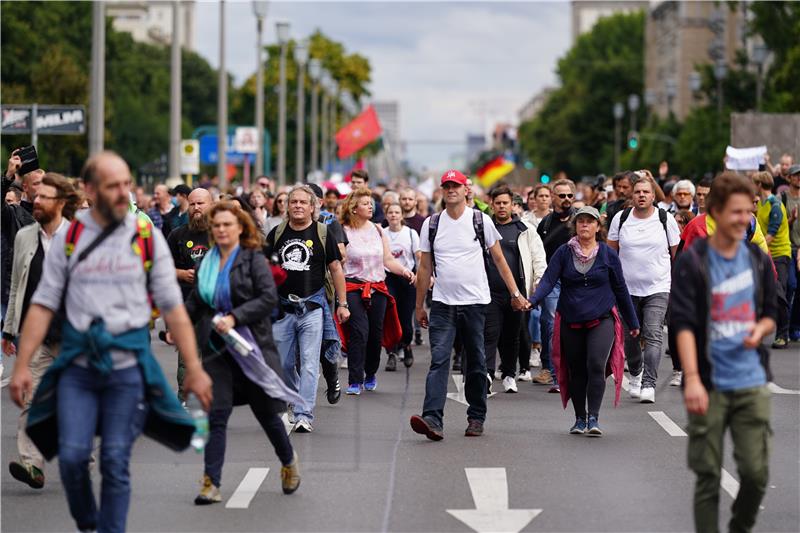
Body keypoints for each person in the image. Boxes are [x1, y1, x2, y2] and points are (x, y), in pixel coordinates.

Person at [8, 151, 213, 532]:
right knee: (71, 459)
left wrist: (195, 369)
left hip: (126, 367)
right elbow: (43, 303)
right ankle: (88, 523)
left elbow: (172, 306)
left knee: (115, 460)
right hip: (78, 365)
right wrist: (22, 365)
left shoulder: (145, 234)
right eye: (112, 185)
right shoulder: (70, 237)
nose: (122, 192)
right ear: (88, 190)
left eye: (125, 184)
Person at [670, 172, 776, 533]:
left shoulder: (757, 260)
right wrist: (693, 378)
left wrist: (759, 330)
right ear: (715, 211)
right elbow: (682, 323)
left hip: (751, 380)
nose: (743, 219)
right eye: (735, 212)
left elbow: (770, 314)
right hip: (709, 383)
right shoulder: (694, 260)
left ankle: (739, 528)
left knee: (756, 473)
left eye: (749, 212)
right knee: (708, 475)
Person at [187, 201, 303, 503]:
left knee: (266, 415)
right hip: (218, 351)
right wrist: (177, 326)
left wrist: (235, 317)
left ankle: (288, 461)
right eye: (217, 225)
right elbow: (197, 301)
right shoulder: (206, 263)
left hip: (252, 349)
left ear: (240, 228)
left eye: (227, 224)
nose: (222, 229)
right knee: (216, 415)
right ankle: (211, 483)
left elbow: (267, 299)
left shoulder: (253, 260)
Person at [409, 170, 529, 441]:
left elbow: (499, 259)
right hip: (442, 304)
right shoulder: (432, 223)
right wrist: (419, 306)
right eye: (447, 186)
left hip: (476, 304)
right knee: (439, 360)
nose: (451, 190)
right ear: (442, 191)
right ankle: (432, 419)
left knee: (476, 362)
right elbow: (425, 266)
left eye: (456, 186)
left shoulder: (480, 220)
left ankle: (476, 417)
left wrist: (515, 293)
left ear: (466, 191)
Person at [530, 206, 640, 436]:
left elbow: (621, 289)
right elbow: (549, 281)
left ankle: (594, 418)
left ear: (598, 227)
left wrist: (633, 323)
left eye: (590, 221)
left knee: (595, 364)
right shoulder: (563, 252)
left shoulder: (608, 255)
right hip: (571, 318)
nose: (585, 225)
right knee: (576, 369)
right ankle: (580, 418)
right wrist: (532, 301)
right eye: (581, 221)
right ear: (575, 225)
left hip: (602, 319)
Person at [3, 173, 79, 489]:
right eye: (36, 196)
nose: (36, 201)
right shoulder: (25, 237)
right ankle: (32, 464)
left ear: (61, 203)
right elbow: (18, 285)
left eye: (44, 197)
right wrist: (9, 330)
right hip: (36, 334)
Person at [266, 185, 349, 433]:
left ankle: (304, 414)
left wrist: (342, 304)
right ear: (287, 206)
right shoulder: (276, 234)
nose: (298, 206)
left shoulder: (323, 233)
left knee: (310, 363)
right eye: (294, 202)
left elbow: (336, 269)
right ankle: (297, 395)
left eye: (303, 202)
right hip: (282, 309)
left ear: (313, 207)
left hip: (312, 308)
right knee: (283, 363)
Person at [608, 174, 680, 403]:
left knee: (653, 333)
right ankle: (636, 373)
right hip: (627, 289)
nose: (641, 195)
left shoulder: (664, 219)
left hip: (658, 286)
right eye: (637, 192)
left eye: (646, 192)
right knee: (631, 336)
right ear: (631, 194)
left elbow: (675, 252)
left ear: (653, 196)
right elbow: (611, 254)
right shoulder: (621, 218)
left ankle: (649, 383)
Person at [339, 188, 413, 394]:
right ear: (354, 209)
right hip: (353, 286)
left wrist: (405, 271)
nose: (370, 206)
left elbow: (388, 260)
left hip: (378, 286)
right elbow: (337, 262)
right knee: (359, 332)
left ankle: (370, 372)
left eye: (371, 203)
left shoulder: (379, 230)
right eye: (365, 203)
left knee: (374, 334)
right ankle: (354, 380)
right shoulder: (343, 231)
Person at [484, 186, 546, 392]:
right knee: (490, 333)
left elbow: (538, 257)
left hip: (516, 293)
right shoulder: (484, 227)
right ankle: (487, 374)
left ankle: (510, 374)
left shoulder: (525, 229)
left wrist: (539, 281)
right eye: (498, 203)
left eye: (505, 203)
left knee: (513, 335)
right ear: (492, 204)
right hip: (489, 291)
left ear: (513, 205)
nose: (502, 207)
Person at [167, 187, 213, 400]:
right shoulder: (178, 235)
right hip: (187, 305)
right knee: (188, 357)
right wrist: (181, 274)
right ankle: (184, 400)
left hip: (217, 306)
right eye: (192, 203)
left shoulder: (221, 232)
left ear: (211, 205)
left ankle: (213, 402)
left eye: (200, 203)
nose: (196, 208)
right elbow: (163, 269)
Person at [535, 179, 576, 392]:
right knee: (550, 323)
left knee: (574, 326)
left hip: (577, 280)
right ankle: (553, 372)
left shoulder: (581, 220)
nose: (566, 199)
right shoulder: (546, 224)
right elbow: (538, 253)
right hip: (552, 280)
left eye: (570, 195)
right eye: (562, 196)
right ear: (553, 197)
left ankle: (570, 370)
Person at [753, 171, 792, 349]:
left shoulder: (775, 204)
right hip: (764, 253)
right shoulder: (761, 203)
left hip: (779, 255)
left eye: (755, 184)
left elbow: (771, 234)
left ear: (760, 185)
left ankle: (783, 334)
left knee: (779, 295)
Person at [384, 203, 421, 370]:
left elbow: (419, 257)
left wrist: (421, 276)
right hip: (388, 278)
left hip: (407, 279)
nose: (393, 215)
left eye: (396, 212)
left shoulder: (411, 234)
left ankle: (406, 346)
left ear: (401, 216)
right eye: (390, 212)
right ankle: (391, 353)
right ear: (386, 215)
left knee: (406, 319)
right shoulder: (381, 233)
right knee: (390, 317)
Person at [782, 164, 800, 340]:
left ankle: (795, 327)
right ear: (789, 178)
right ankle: (784, 327)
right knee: (790, 286)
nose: (799, 178)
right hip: (788, 248)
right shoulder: (783, 198)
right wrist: (791, 219)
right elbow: (779, 227)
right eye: (796, 175)